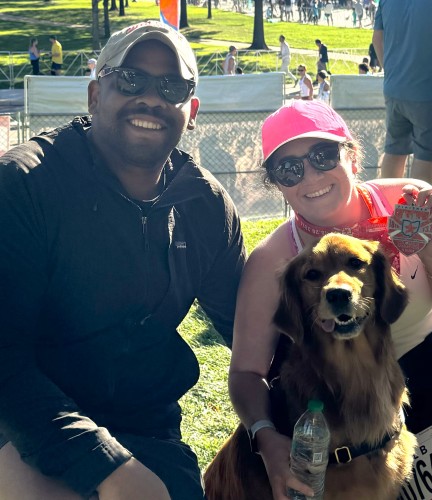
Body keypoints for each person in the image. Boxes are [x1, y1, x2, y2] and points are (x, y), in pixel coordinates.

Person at [0, 20, 245, 500]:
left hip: (146, 431)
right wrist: (106, 467)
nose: (151, 98)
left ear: (191, 110)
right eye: (130, 79)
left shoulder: (206, 207)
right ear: (95, 94)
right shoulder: (24, 185)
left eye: (171, 86)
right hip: (23, 425)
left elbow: (254, 333)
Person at [228, 99, 432, 499]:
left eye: (323, 154)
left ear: (351, 154)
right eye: (289, 169)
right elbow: (246, 373)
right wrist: (267, 441)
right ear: (277, 184)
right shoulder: (272, 259)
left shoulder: (412, 203)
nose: (310, 175)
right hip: (338, 403)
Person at [372, 0, 432, 184]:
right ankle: (417, 211)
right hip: (429, 92)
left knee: (394, 150)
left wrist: (390, 72)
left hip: (394, 88)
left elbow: (377, 39)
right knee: (425, 155)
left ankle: (385, 206)